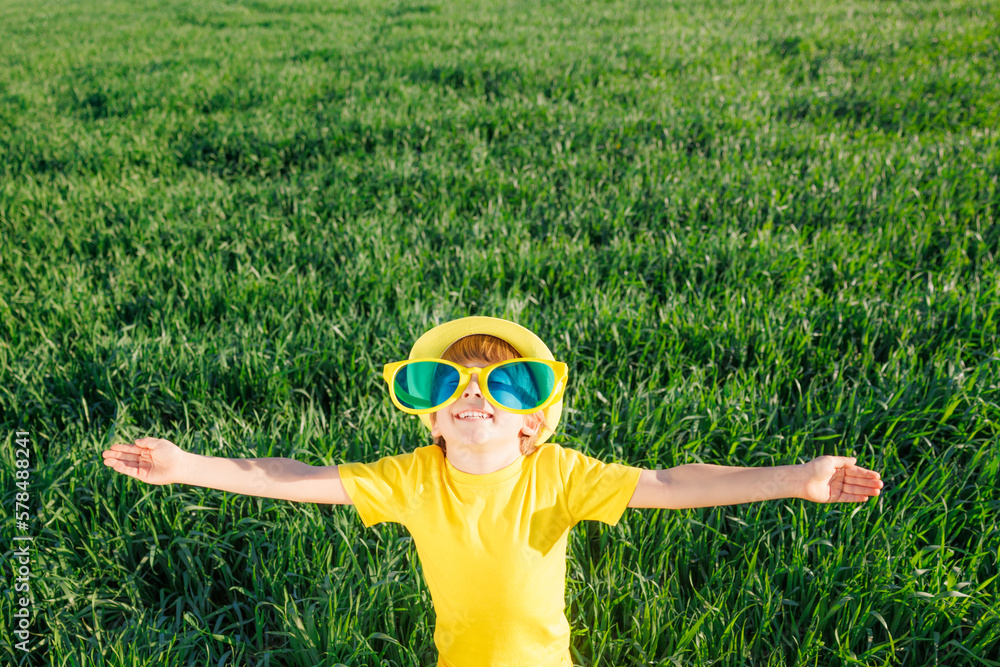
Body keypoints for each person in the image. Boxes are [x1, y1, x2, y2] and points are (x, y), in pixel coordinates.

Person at [102, 316, 883, 666]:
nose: (472, 389)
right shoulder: (410, 478)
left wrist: (796, 479)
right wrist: (190, 463)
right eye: (448, 379)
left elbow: (673, 482)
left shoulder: (561, 473)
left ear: (532, 424)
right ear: (433, 416)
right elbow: (293, 476)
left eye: (501, 381)